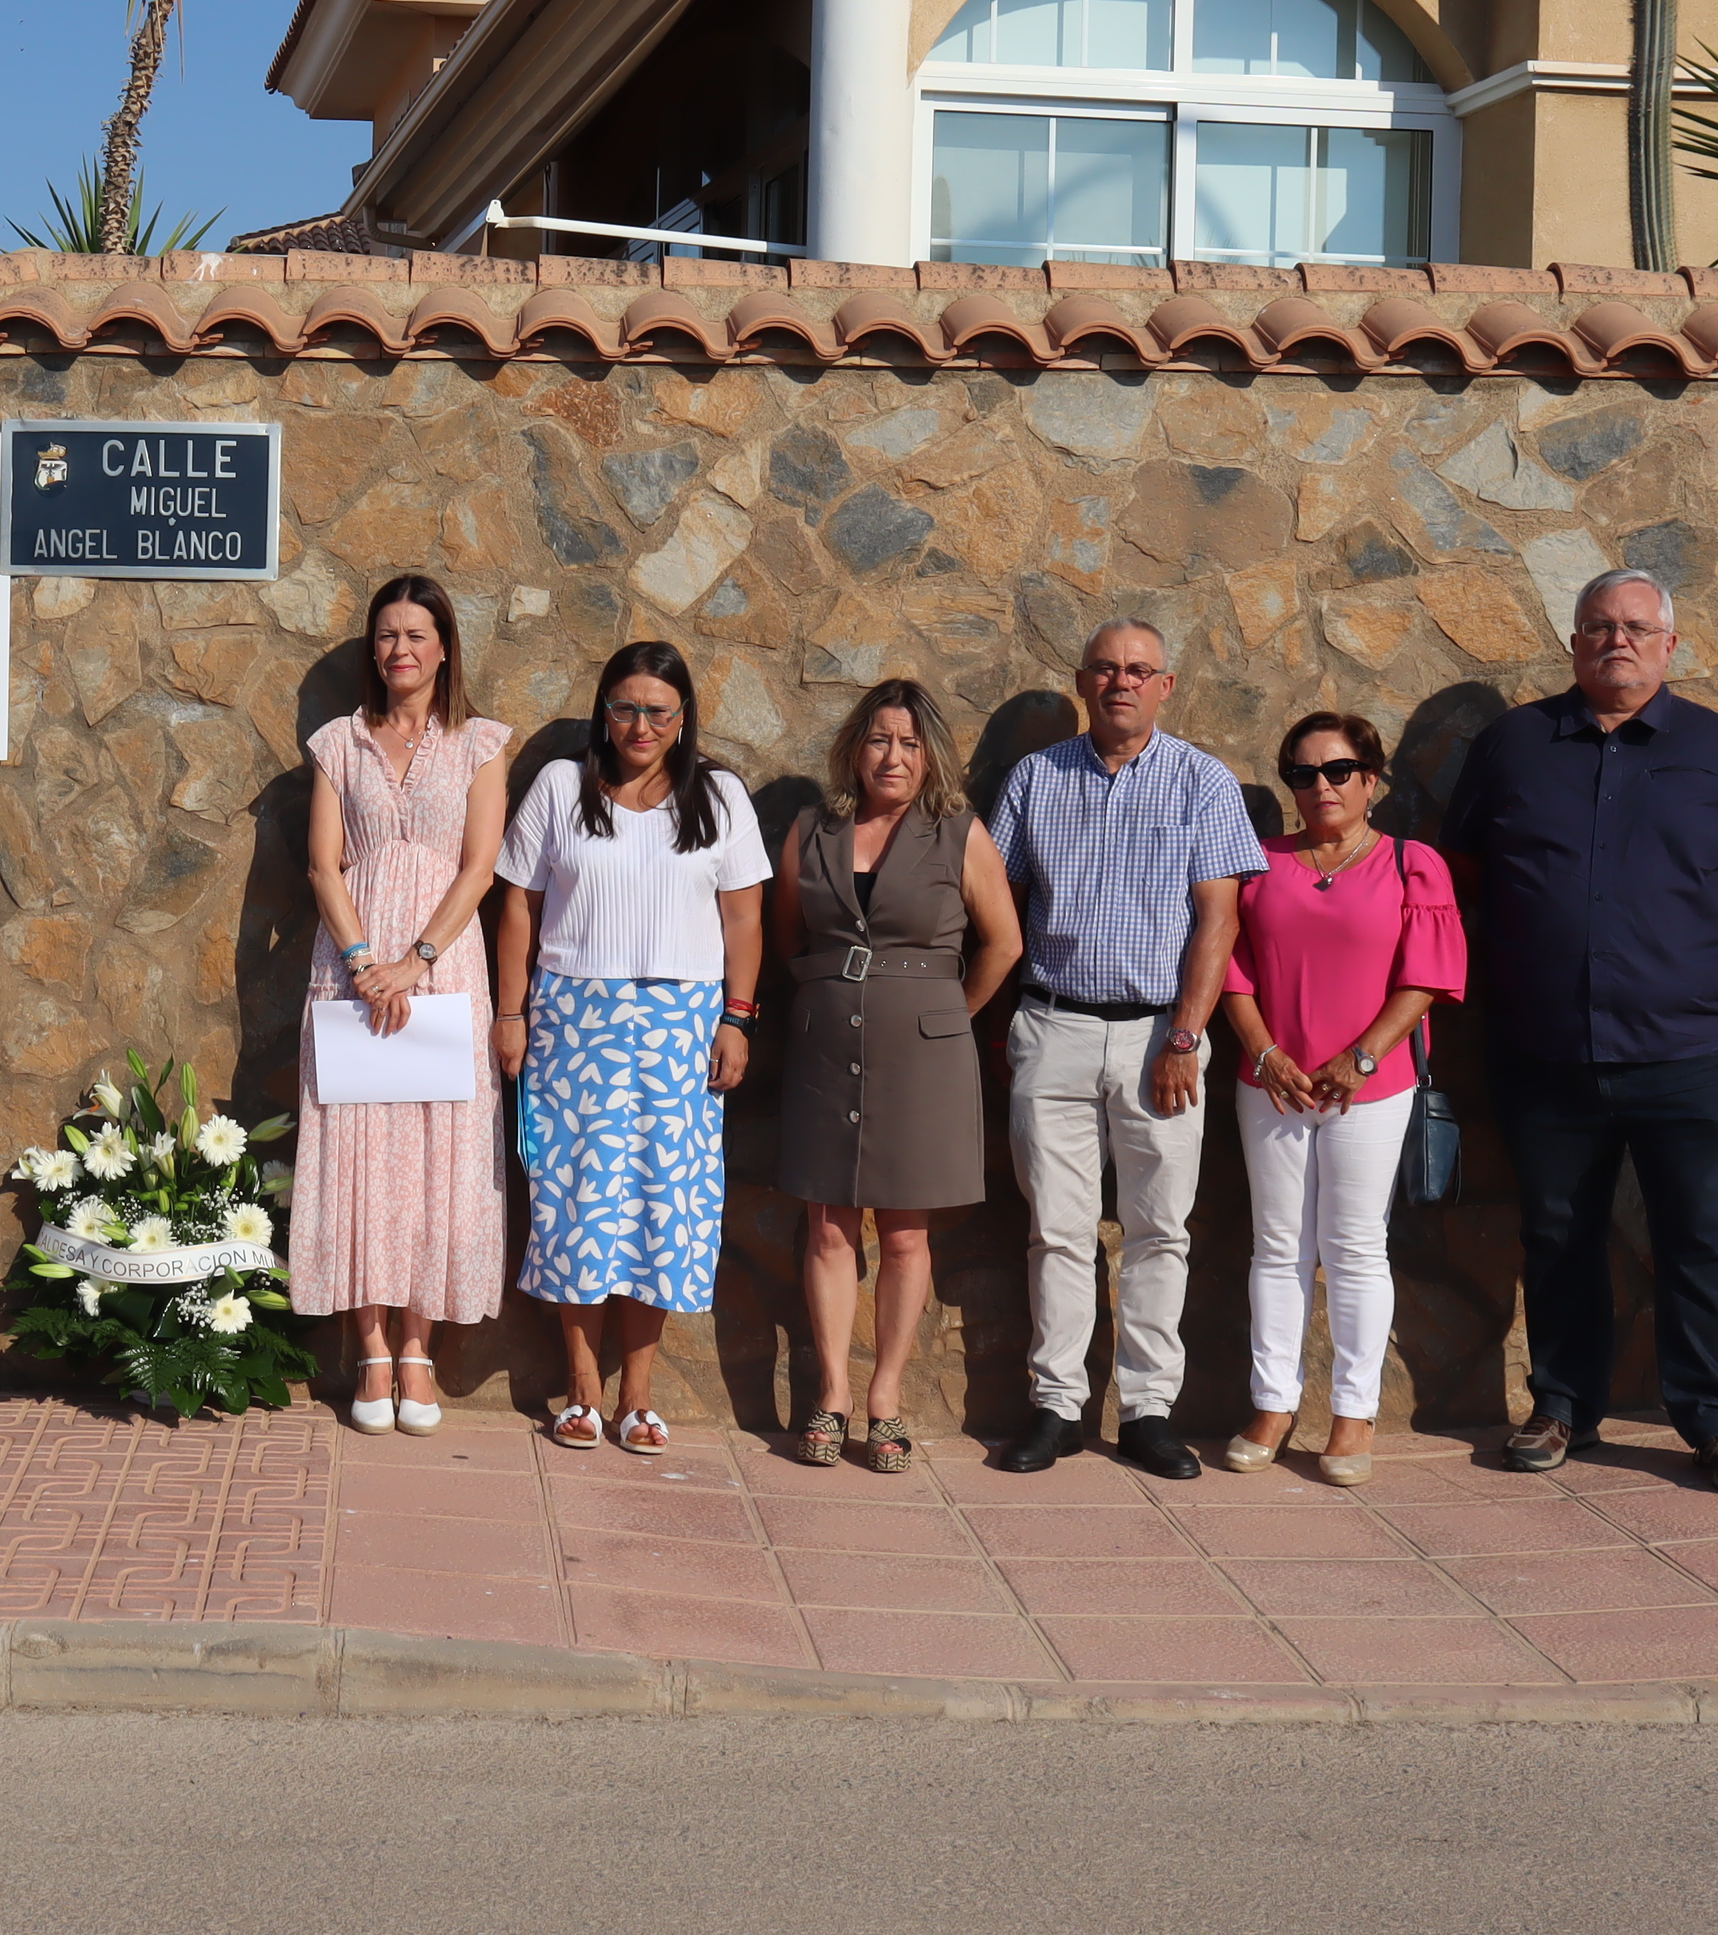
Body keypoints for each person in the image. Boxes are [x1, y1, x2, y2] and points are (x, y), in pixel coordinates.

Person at [1449, 569, 1718, 1492]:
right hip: (1547, 1049)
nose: (1619, 641)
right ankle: (1565, 1406)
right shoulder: (1513, 746)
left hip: (1693, 1050)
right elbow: (1470, 870)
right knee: (1559, 1235)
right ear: (1573, 643)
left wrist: (1680, 950)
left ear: (1670, 644)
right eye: (1600, 627)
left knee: (1704, 1236)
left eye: (1638, 628)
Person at [983, 619, 1265, 1479]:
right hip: (1054, 1025)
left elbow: (1219, 919)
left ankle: (1148, 1411)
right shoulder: (1035, 779)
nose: (1121, 684)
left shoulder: (1202, 784)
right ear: (1081, 680)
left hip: (1159, 1037)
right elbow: (998, 902)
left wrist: (1186, 1034)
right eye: (1105, 669)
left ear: (1165, 685)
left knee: (1157, 1232)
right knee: (1057, 1231)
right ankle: (1057, 1406)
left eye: (1139, 671)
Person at [491, 642, 768, 1458]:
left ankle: (638, 1396)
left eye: (657, 710)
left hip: (683, 1026)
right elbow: (517, 910)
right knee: (575, 1201)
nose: (639, 724)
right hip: (574, 1020)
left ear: (683, 720)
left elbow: (745, 920)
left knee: (659, 1205)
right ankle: (581, 1388)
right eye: (624, 707)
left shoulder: (717, 797)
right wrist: (511, 1015)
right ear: (602, 712)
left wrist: (738, 1020)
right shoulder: (559, 788)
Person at [769, 679, 1020, 1472]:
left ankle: (885, 1398)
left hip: (927, 1054)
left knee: (907, 1232)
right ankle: (832, 1394)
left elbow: (1004, 945)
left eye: (910, 743)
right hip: (823, 1047)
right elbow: (784, 937)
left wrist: (950, 1015)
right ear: (855, 747)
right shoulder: (812, 829)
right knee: (828, 1225)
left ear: (931, 754)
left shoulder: (960, 833)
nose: (894, 756)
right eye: (880, 739)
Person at [1216, 712, 1463, 1487]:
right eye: (1302, 773)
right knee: (1278, 1246)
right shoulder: (1258, 863)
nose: (1320, 786)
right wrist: (1264, 1052)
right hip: (1273, 1085)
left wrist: (1360, 1059)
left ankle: (1354, 1413)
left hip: (1372, 1087)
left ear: (1372, 779)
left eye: (1338, 770)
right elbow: (1231, 970)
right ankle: (1273, 1403)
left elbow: (1426, 975)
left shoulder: (1410, 865)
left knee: (1355, 1247)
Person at [295, 576, 511, 1436]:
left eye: (417, 634)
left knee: (434, 1148)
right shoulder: (337, 744)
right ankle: (371, 1345)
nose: (401, 650)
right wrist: (362, 961)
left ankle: (418, 1344)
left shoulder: (481, 744)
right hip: (351, 967)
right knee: (358, 1144)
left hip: (444, 964)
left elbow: (480, 867)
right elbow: (322, 864)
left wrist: (414, 960)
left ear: (445, 646)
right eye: (387, 635)